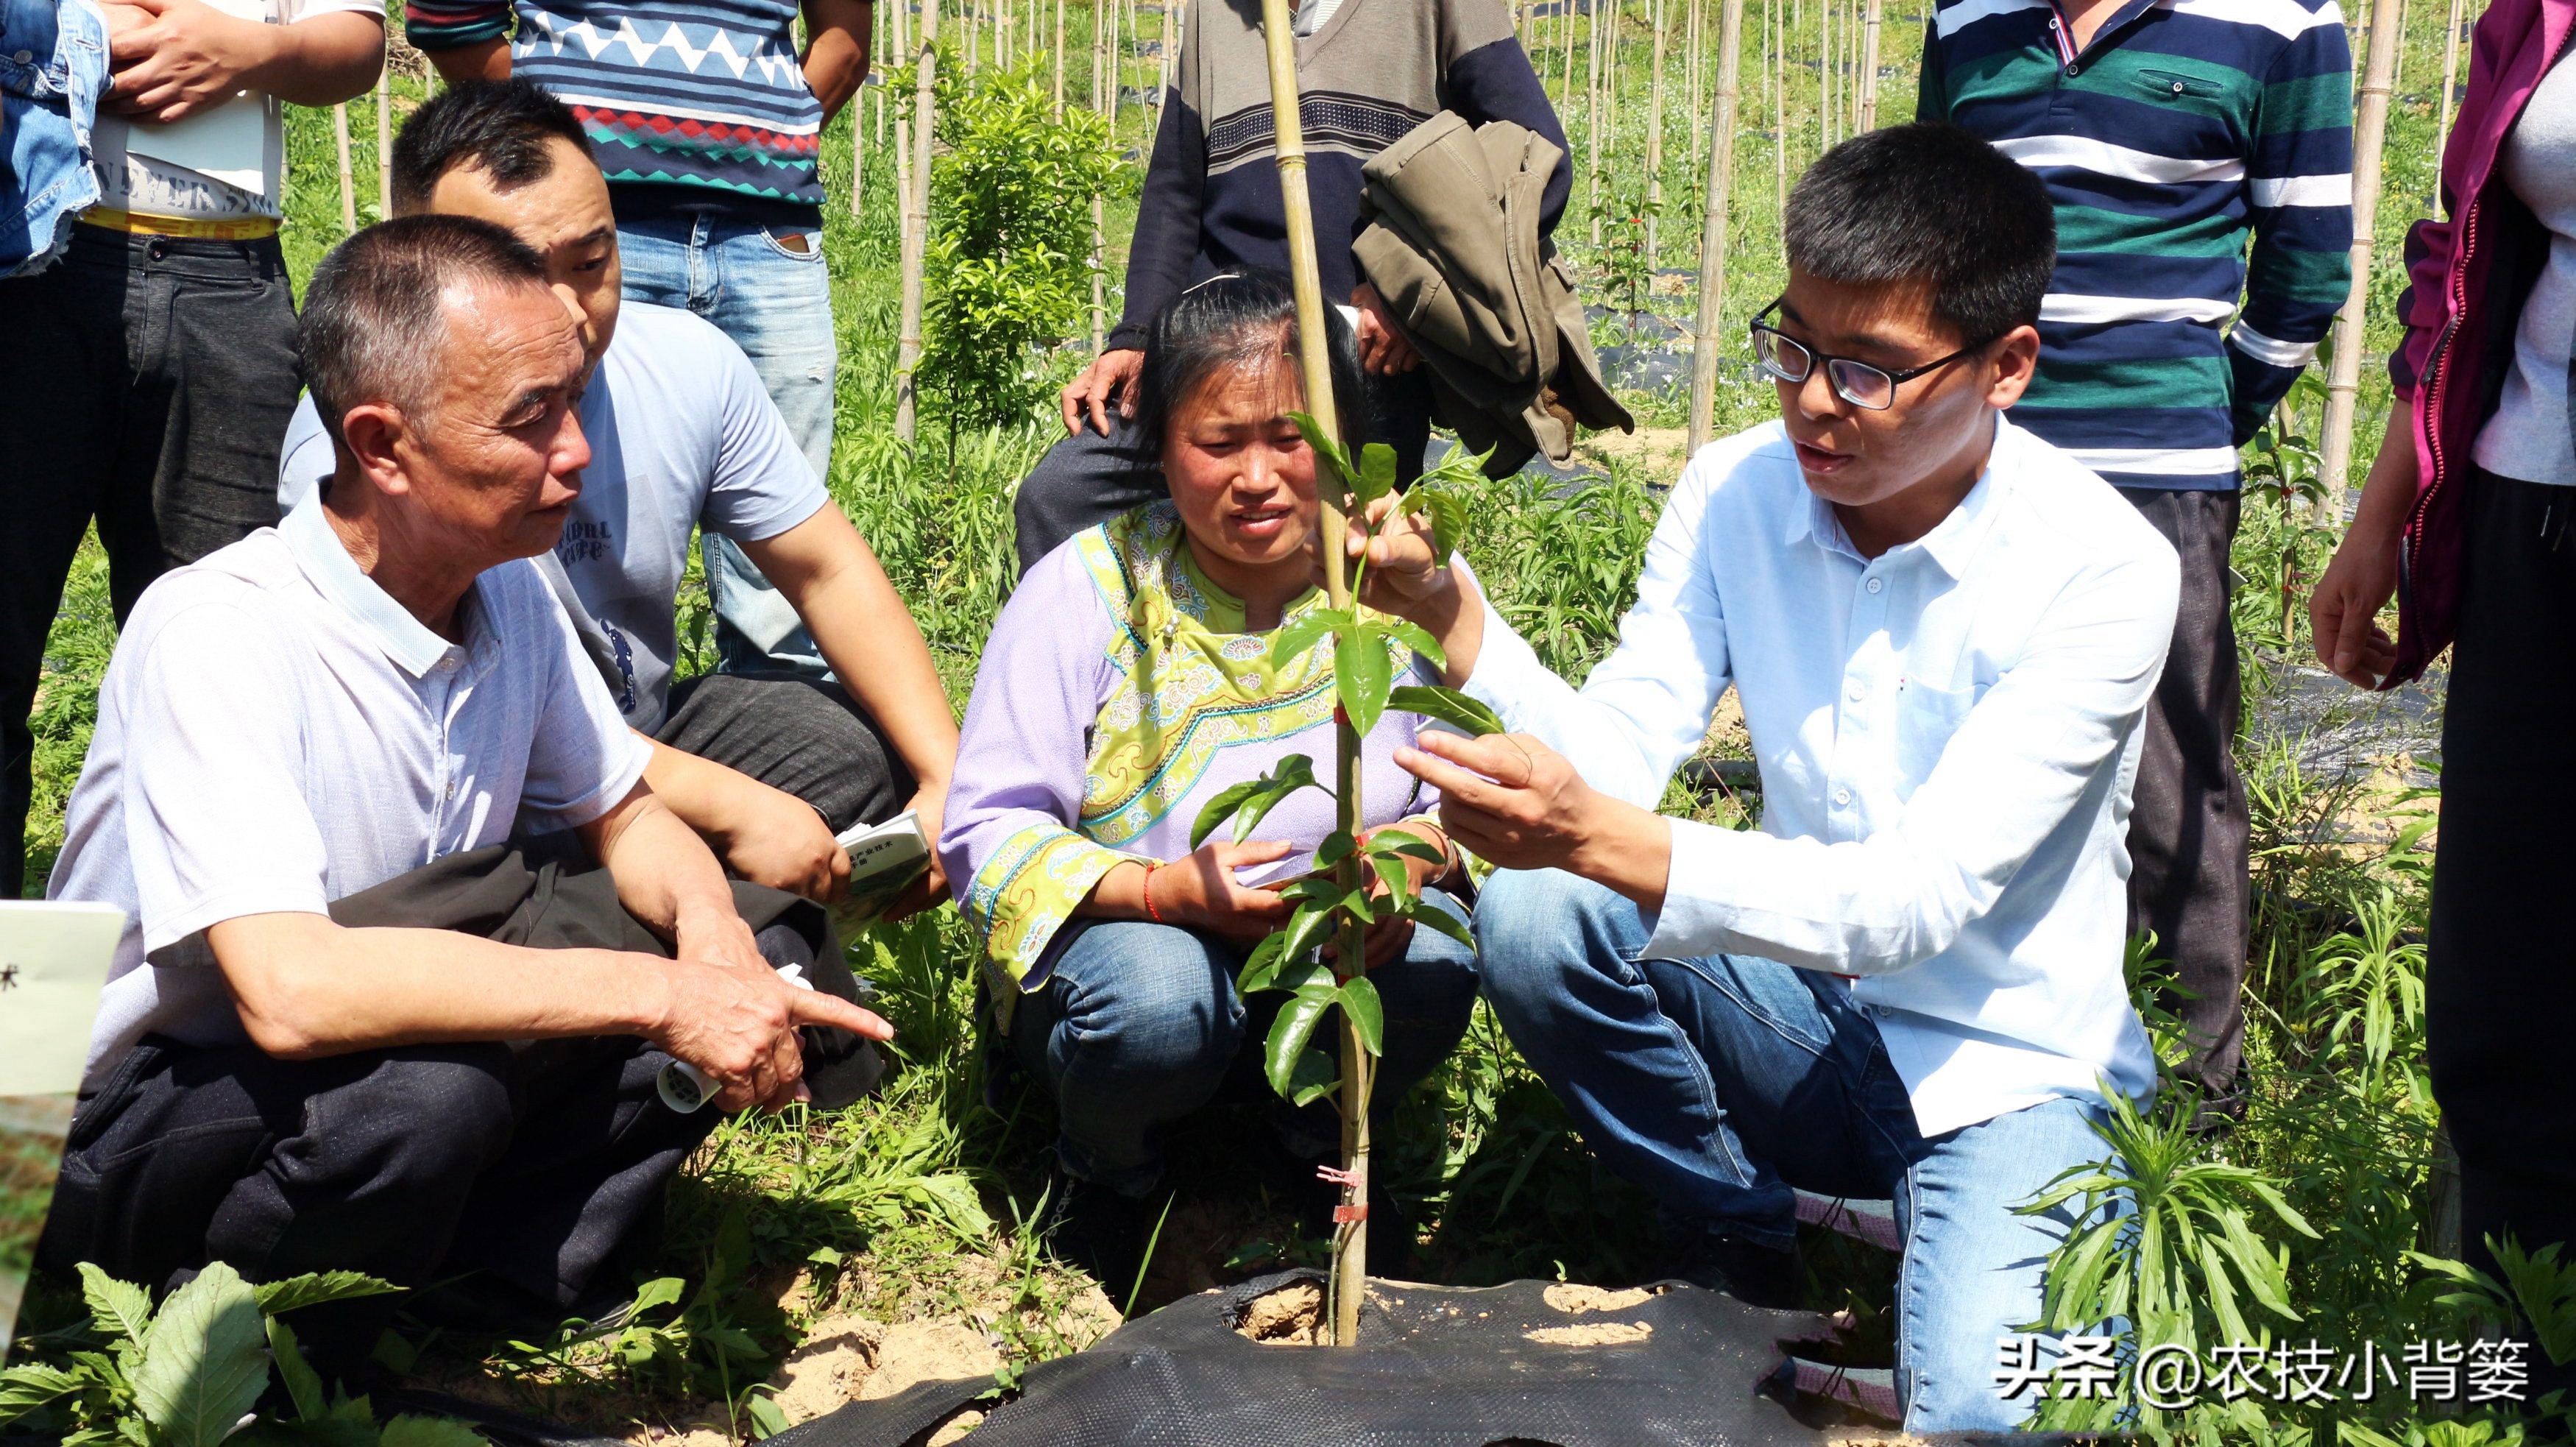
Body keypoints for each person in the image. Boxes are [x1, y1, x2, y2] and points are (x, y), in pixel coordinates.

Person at [1348, 127, 2175, 1432]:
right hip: (1813, 1025)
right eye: (1792, 346)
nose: (1812, 401)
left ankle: (1953, 1218)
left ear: (2006, 367)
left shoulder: (2101, 569)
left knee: (1991, 1414)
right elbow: (1619, 747)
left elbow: (1906, 905)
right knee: (1539, 912)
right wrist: (1453, 617)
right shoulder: (1739, 490)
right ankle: (1740, 1237)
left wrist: (1589, 828)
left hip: (2010, 1066)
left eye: (1869, 370)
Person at [38, 216, 891, 1371]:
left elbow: (629, 812)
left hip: (346, 1044)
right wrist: (656, 992)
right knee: (425, 1103)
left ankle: (481, 1282)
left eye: (573, 400)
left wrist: (715, 954)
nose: (578, 451)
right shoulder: (220, 629)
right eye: (530, 417)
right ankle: (232, 1361)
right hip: (116, 1115)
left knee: (756, 926)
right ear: (382, 446)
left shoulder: (508, 586)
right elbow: (291, 993)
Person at [277, 81, 958, 908]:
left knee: (842, 744)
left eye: (591, 262)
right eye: (516, 271)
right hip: (466, 789)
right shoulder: (366, 446)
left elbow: (826, 570)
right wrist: (730, 807)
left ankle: (657, 915)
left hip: (637, 751)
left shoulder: (688, 364)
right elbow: (417, 722)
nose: (569, 310)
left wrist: (951, 781)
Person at [941, 271, 1481, 1292]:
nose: (1260, 477)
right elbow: (985, 828)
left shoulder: (1388, 583)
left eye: (1290, 439)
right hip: (1137, 952)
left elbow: (1476, 786)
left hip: (1332, 943)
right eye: (1218, 442)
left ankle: (1310, 1134)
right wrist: (1164, 892)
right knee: (1158, 997)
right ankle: (1107, 1168)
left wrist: (1409, 867)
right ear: (1157, 448)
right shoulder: (1090, 586)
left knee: (1444, 956)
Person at [1918, 0, 2354, 1108]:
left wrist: (2204, 408)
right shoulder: (1968, 14)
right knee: (1948, 731)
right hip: (1970, 461)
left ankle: (2189, 1101)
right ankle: (1971, 1067)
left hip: (2160, 471)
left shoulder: (2281, 22)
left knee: (2171, 772)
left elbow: (2308, 268)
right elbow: (1928, 228)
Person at [2307, 0, 2576, 1395]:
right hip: (2537, 510)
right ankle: (2514, 1369)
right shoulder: (2536, 20)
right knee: (2507, 969)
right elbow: (2460, 270)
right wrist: (2380, 522)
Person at [0, 0, 385, 896]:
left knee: (216, 656)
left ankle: (184, 954)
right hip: (31, 258)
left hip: (230, 277)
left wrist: (258, 47)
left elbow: (357, 44)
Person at [1011, 0, 1569, 576]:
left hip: (1364, 360)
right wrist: (1134, 337)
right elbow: (1176, 192)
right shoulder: (1216, 12)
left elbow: (1535, 160)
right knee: (1060, 498)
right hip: (1213, 356)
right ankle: (1105, 659)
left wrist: (1411, 290)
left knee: (1346, 562)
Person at [404, 0, 870, 681]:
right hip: (583, 235)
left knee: (783, 572)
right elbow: (450, 18)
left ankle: (775, 726)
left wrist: (778, 133)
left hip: (767, 232)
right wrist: (558, 149)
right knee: (549, 501)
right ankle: (546, 724)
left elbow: (845, 39)